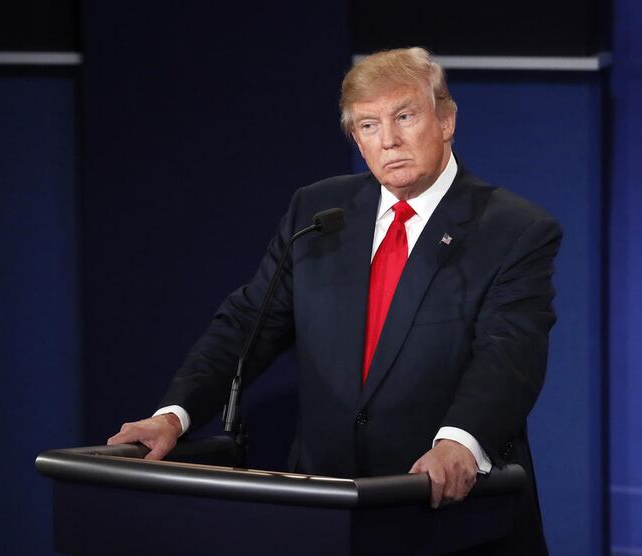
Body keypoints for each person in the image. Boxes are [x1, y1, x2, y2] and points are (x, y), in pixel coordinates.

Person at [108, 47, 561, 555]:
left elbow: (510, 352)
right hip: (327, 517)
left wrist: (460, 440)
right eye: (368, 125)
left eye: (405, 116)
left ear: (447, 119)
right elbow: (247, 324)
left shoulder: (513, 229)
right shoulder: (320, 211)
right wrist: (174, 414)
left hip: (450, 516)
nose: (388, 140)